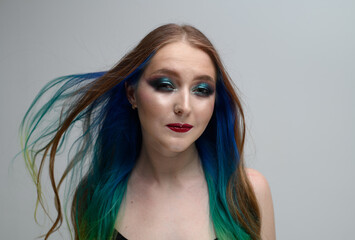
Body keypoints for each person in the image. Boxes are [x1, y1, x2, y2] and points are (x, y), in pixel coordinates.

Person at [20, 24, 275, 240]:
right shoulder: (95, 195)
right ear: (132, 93)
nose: (184, 107)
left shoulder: (248, 191)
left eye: (201, 90)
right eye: (166, 85)